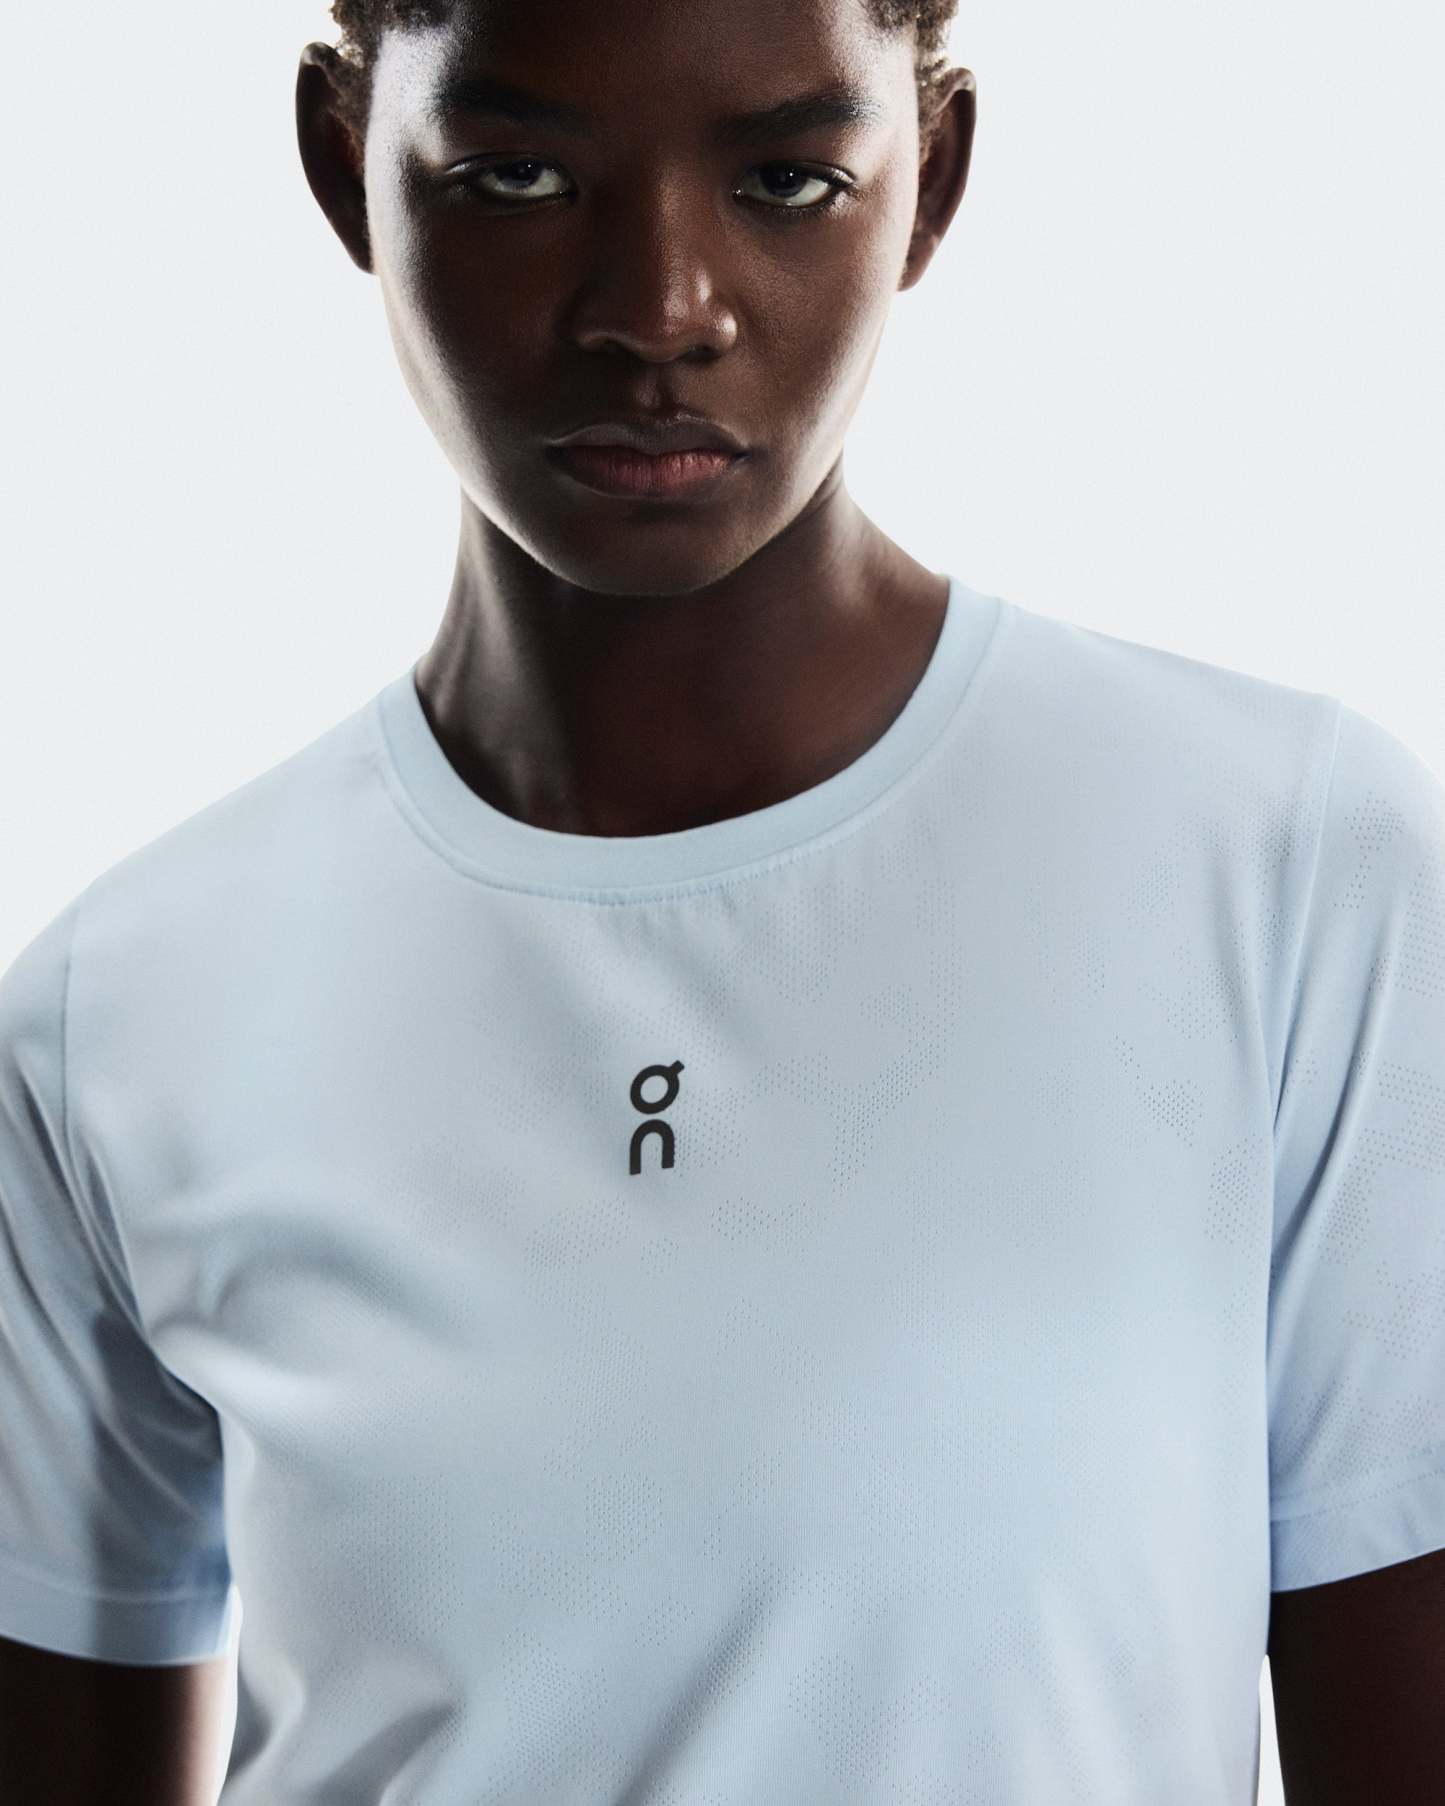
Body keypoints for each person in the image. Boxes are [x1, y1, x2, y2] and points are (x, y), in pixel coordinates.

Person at [1, 3, 1443, 1802]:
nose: (659, 309)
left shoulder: (1282, 863)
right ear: (343, 158)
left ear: (931, 182)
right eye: (516, 176)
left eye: (785, 181)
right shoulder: (126, 1008)